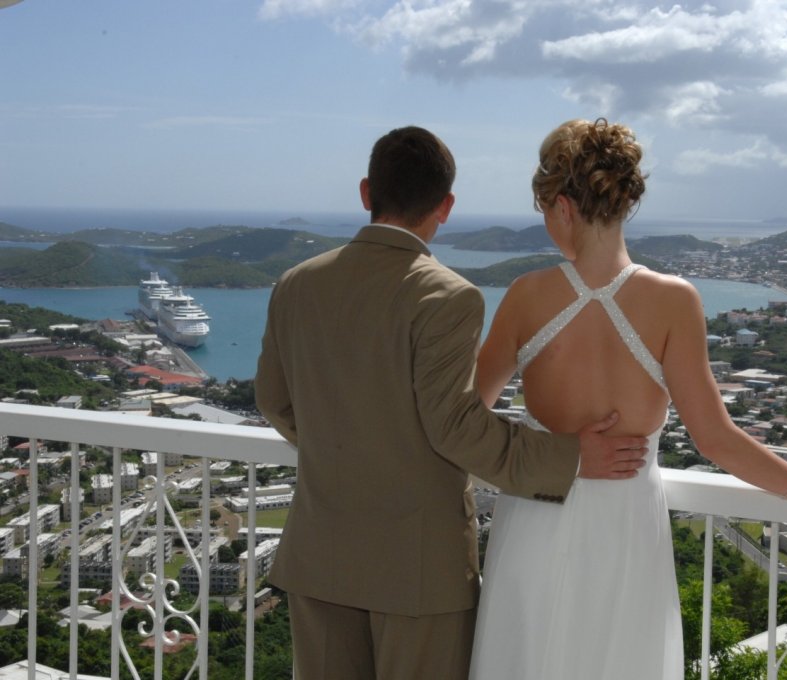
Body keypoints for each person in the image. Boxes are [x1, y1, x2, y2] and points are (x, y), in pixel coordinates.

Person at [468, 118, 787, 679]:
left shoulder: (525, 296)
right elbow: (715, 439)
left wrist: (559, 454)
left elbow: (464, 420)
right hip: (625, 532)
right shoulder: (674, 300)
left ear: (561, 206)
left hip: (535, 521)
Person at [254, 125, 651, 680]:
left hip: (319, 558)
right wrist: (570, 457)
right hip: (418, 569)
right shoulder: (446, 294)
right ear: (445, 206)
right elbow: (456, 428)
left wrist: (348, 444)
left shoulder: (296, 283)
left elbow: (273, 400)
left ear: (367, 193)